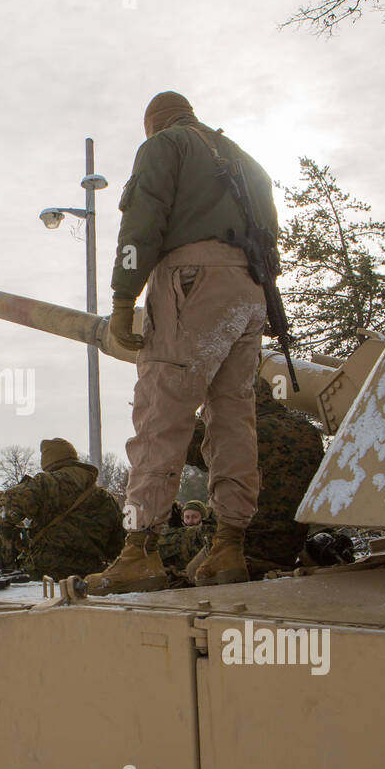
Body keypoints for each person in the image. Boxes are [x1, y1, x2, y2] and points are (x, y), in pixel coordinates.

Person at [85, 91, 277, 595]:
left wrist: (124, 297)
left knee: (161, 410)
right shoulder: (246, 160)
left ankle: (138, 551)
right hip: (250, 291)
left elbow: (142, 221)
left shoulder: (164, 146)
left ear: (154, 124)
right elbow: (271, 238)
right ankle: (228, 546)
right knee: (234, 415)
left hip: (192, 280)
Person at [185, 377, 324, 577]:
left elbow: (183, 439)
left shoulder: (243, 433)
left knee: (172, 553)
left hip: (240, 547)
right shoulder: (308, 431)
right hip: (289, 547)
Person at [0, 439, 124, 582]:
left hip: (44, 576)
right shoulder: (105, 498)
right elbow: (118, 546)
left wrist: (16, 540)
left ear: (48, 463)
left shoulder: (44, 484)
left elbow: (5, 511)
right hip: (87, 580)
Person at [157, 499, 210, 579]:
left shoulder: (204, 533)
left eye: (195, 517)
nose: (190, 521)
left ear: (203, 516)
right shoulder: (177, 537)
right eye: (187, 517)